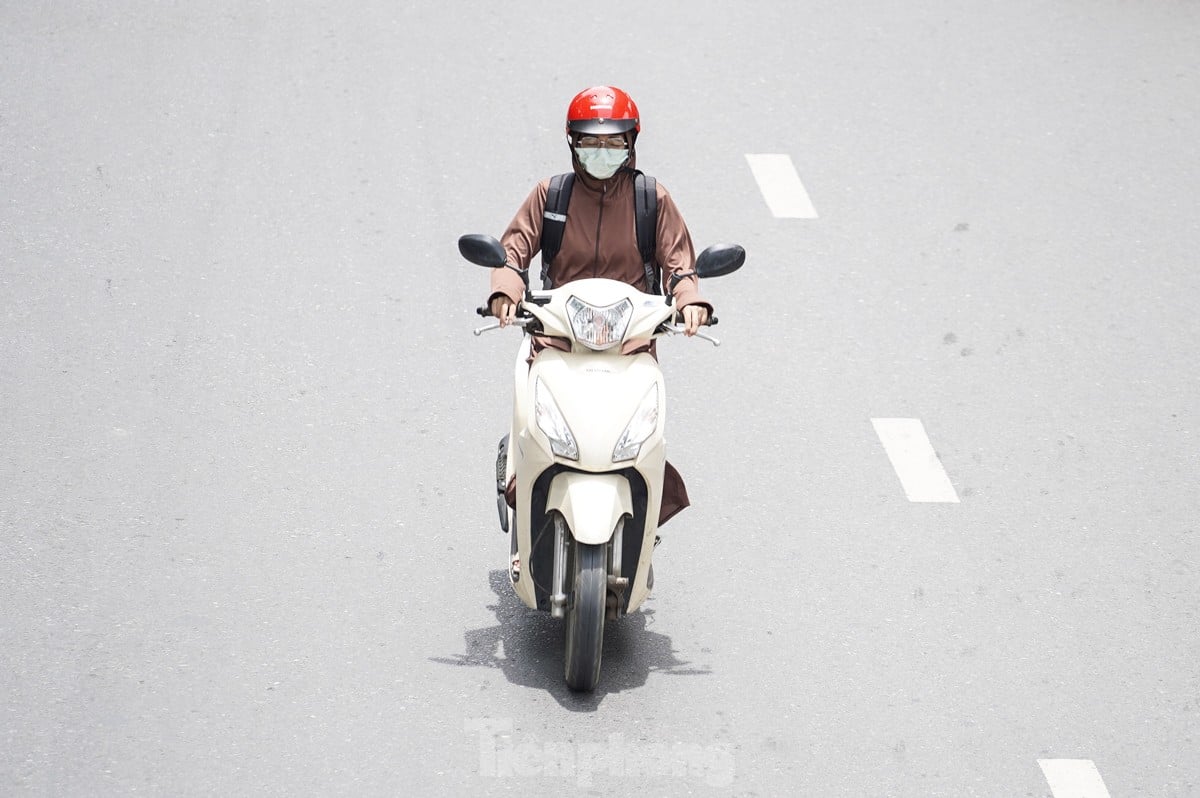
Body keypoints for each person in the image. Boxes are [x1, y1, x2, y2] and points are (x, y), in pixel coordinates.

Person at [485, 85, 713, 534]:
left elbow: (681, 265)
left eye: (613, 142)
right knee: (539, 432)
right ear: (573, 143)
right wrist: (506, 290)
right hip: (557, 338)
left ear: (631, 144)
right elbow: (513, 252)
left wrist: (690, 302)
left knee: (642, 441)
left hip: (628, 346)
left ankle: (642, 529)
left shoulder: (652, 200)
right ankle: (521, 485)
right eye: (591, 141)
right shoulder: (551, 197)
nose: (602, 151)